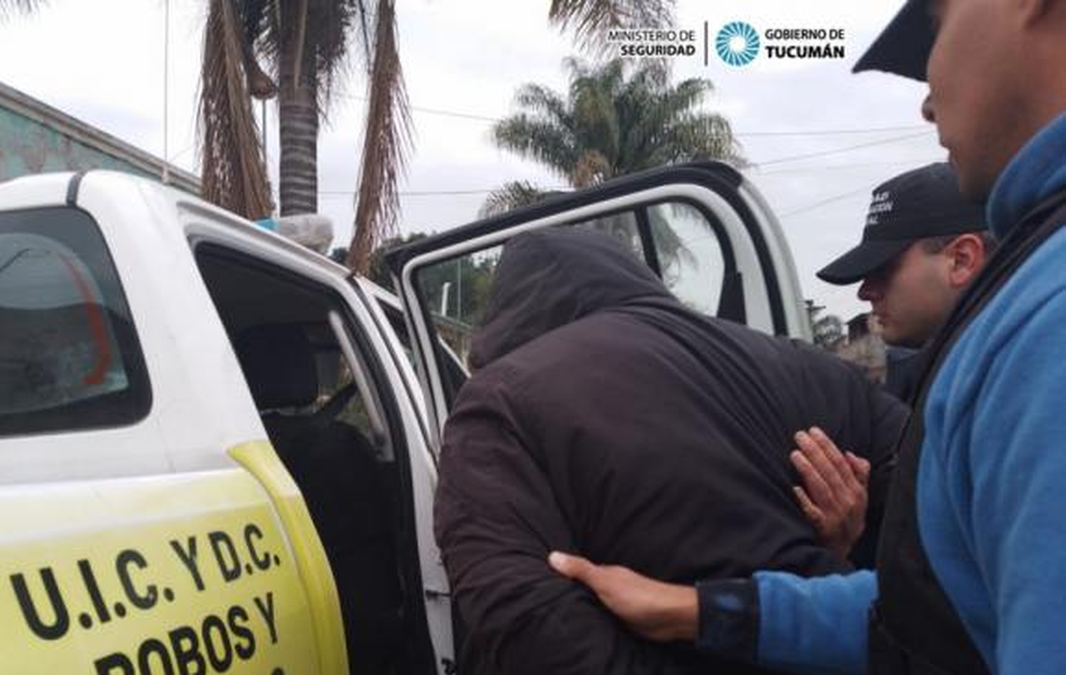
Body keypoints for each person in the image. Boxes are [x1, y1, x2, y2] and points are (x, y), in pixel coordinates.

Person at [551, 0, 1066, 673]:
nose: (925, 103)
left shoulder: (1045, 325)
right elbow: (944, 613)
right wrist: (693, 609)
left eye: (936, 27)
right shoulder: (1021, 305)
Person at [433, 226, 906, 674]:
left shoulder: (499, 401)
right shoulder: (808, 367)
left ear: (508, 313)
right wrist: (845, 556)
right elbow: (940, 545)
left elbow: (522, 616)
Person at [818, 162, 993, 399]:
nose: (865, 292)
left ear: (961, 260)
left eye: (883, 270)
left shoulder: (1024, 374)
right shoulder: (954, 374)